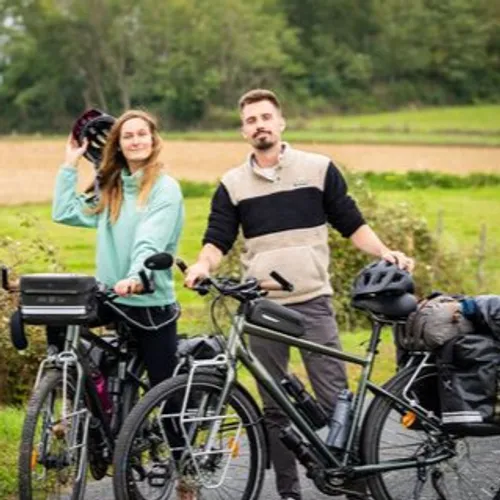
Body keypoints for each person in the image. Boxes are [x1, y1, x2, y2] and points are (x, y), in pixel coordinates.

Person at [185, 89, 414, 500]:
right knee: (274, 407)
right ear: (243, 131)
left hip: (313, 299)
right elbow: (217, 237)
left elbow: (350, 222)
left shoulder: (319, 168)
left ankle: (355, 487)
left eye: (266, 117)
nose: (260, 125)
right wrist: (202, 265)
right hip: (262, 306)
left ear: (281, 122)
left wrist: (385, 252)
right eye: (251, 120)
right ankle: (289, 493)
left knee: (334, 398)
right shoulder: (232, 184)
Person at [51, 109, 184, 389]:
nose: (136, 141)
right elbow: (64, 212)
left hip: (149, 302)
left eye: (141, 134)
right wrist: (70, 165)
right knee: (58, 320)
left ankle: (171, 431)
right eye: (128, 136)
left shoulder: (165, 189)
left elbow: (149, 241)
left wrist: (136, 278)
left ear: (153, 140)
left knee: (165, 392)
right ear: (119, 144)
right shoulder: (112, 189)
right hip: (112, 297)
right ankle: (94, 398)